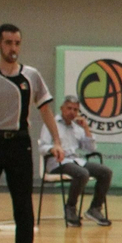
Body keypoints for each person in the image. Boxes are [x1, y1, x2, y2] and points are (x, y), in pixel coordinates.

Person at [0, 25, 63, 243]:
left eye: (17, 43)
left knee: (23, 207)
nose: (13, 48)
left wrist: (57, 140)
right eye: (8, 42)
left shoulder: (31, 76)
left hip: (19, 145)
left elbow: (45, 109)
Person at [39, 93, 111, 227]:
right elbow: (42, 146)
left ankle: (94, 209)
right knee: (82, 173)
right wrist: (53, 149)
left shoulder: (76, 128)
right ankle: (70, 208)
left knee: (105, 172)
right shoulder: (51, 124)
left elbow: (91, 148)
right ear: (62, 108)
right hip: (57, 162)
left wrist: (86, 128)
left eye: (75, 110)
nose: (72, 112)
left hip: (76, 161)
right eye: (69, 108)